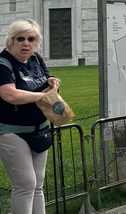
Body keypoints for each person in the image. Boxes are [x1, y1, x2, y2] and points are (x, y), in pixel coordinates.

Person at [0, 20, 60, 214]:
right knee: (25, 184)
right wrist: (43, 96)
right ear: (11, 40)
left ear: (36, 42)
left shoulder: (36, 59)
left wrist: (51, 81)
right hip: (13, 131)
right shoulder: (4, 64)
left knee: (37, 185)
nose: (26, 43)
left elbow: (43, 79)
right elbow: (10, 95)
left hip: (40, 129)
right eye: (20, 38)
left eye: (31, 39)